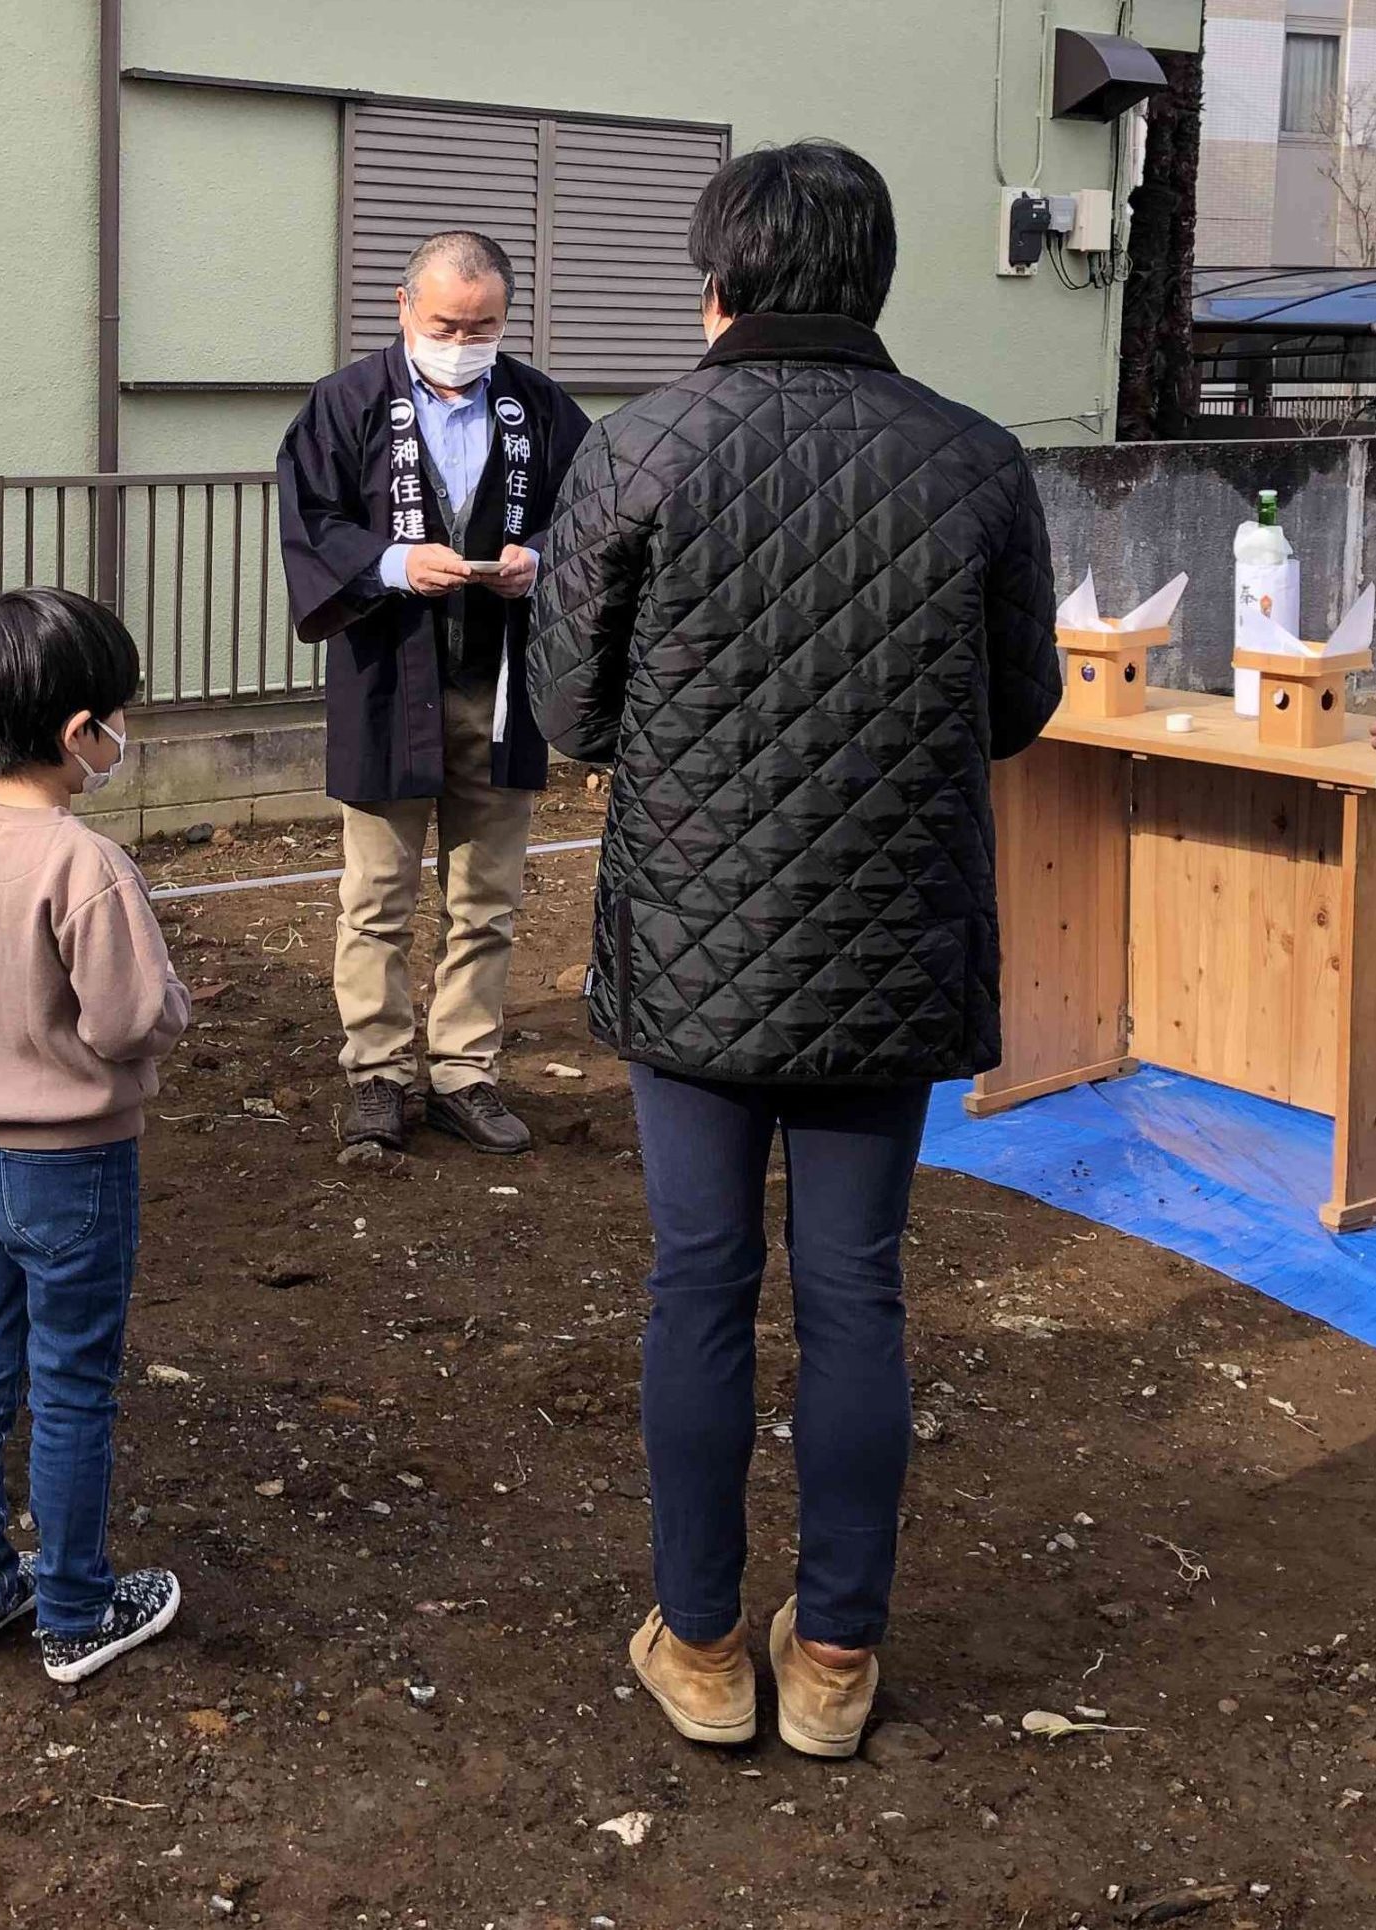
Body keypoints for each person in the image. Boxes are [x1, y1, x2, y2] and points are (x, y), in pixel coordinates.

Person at [528, 141, 1060, 1755]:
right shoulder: (973, 462)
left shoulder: (638, 449)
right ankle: (832, 1663)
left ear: (721, 279)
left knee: (697, 1279)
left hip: (692, 947)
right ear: (876, 280)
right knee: (856, 1291)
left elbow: (567, 706)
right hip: (889, 945)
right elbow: (1021, 705)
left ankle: (697, 1645)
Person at [0, 588, 192, 1683]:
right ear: (82, 734)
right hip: (73, 1166)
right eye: (117, 717)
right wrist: (171, 1006)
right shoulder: (86, 864)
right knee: (71, 1382)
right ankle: (74, 1607)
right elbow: (123, 1018)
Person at [277, 232, 591, 1158]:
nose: (464, 338)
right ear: (404, 308)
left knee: (486, 896)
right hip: (390, 677)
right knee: (376, 895)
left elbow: (592, 515)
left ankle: (464, 1070)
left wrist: (542, 559)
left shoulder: (537, 407)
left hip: (500, 682)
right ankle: (376, 1072)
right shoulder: (347, 405)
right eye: (447, 322)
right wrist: (391, 562)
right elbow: (311, 522)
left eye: (484, 324)